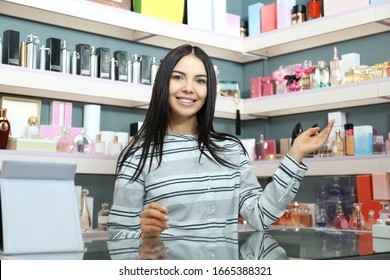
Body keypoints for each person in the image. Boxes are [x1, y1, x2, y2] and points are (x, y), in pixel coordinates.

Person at [107, 44, 335, 239]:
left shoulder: (229, 149)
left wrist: (295, 155)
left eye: (200, 80)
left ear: (209, 89)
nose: (188, 88)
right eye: (178, 77)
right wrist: (143, 235)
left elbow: (260, 216)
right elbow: (117, 236)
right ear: (162, 83)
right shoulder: (138, 155)